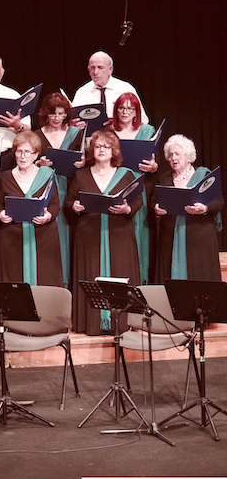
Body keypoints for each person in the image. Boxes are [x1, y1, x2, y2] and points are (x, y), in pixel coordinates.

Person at [66, 130, 141, 335]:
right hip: (89, 235)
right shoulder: (81, 175)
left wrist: (127, 209)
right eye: (98, 146)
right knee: (91, 276)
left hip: (119, 234)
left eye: (106, 147)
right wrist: (75, 206)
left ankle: (120, 324)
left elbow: (137, 201)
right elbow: (69, 201)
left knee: (119, 275)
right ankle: (93, 323)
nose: (102, 150)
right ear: (92, 150)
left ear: (114, 151)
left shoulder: (126, 175)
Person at [0, 131, 62, 286]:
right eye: (19, 151)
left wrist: (48, 216)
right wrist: (1, 214)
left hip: (42, 236)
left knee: (44, 279)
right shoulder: (4, 177)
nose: (23, 156)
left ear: (35, 155)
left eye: (27, 152)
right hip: (12, 237)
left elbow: (55, 204)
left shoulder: (47, 175)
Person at [154, 135, 223, 282]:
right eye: (170, 155)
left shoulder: (204, 175)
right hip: (170, 238)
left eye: (177, 154)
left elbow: (219, 201)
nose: (173, 158)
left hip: (199, 239)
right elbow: (154, 200)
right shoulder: (164, 178)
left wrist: (205, 208)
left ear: (188, 156)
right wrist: (156, 208)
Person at [34, 92, 83, 288]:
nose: (56, 118)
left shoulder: (75, 134)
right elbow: (27, 160)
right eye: (53, 113)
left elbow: (85, 160)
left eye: (61, 114)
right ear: (46, 113)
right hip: (45, 189)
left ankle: (66, 283)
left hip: (69, 188)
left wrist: (82, 163)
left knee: (68, 232)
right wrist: (38, 163)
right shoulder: (37, 135)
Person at [110, 92, 159, 285]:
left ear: (136, 112)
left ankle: (141, 280)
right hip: (114, 185)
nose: (125, 112)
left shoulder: (147, 131)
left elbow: (155, 161)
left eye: (130, 109)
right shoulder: (108, 132)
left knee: (140, 232)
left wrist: (153, 167)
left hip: (140, 186)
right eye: (121, 108)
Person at [71, 51, 149, 122]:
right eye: (92, 68)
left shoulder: (125, 89)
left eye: (100, 67)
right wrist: (74, 124)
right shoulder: (82, 92)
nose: (95, 72)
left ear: (110, 70)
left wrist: (119, 123)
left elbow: (143, 120)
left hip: (119, 133)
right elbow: (71, 120)